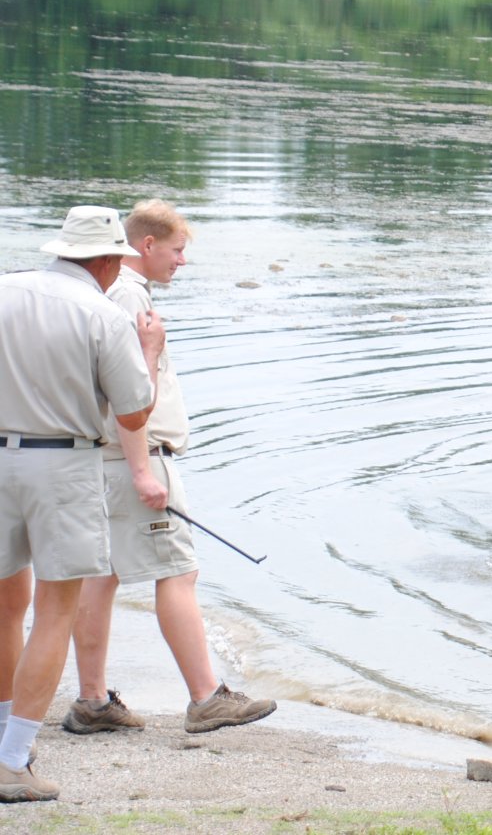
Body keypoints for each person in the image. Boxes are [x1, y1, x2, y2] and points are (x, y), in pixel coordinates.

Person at [65, 200, 275, 740]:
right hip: (138, 455)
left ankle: (92, 700)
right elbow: (130, 396)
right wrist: (143, 471)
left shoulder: (101, 293)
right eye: (177, 250)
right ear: (146, 245)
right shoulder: (131, 298)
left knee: (100, 576)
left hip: (99, 458)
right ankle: (206, 698)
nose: (182, 261)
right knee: (178, 573)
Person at [0, 205, 163, 803]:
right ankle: (12, 760)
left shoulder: (4, 288)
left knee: (4, 606)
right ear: (106, 261)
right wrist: (149, 350)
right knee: (54, 611)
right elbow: (134, 412)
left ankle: (2, 741)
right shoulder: (101, 312)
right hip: (62, 464)